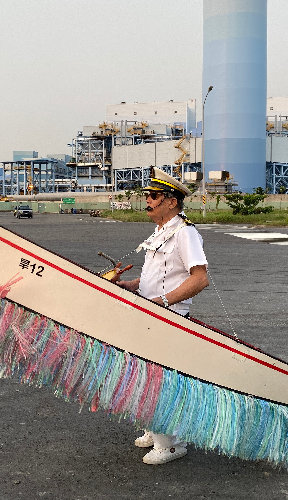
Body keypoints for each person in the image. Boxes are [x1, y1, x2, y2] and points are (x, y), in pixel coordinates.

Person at [113, 167, 209, 465]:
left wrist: (163, 301)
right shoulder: (160, 232)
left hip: (168, 316)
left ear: (171, 201)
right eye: (147, 196)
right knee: (143, 373)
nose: (148, 201)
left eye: (153, 196)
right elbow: (154, 276)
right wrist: (128, 284)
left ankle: (170, 444)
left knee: (159, 380)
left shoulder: (185, 233)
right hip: (148, 311)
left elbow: (200, 278)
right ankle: (155, 431)